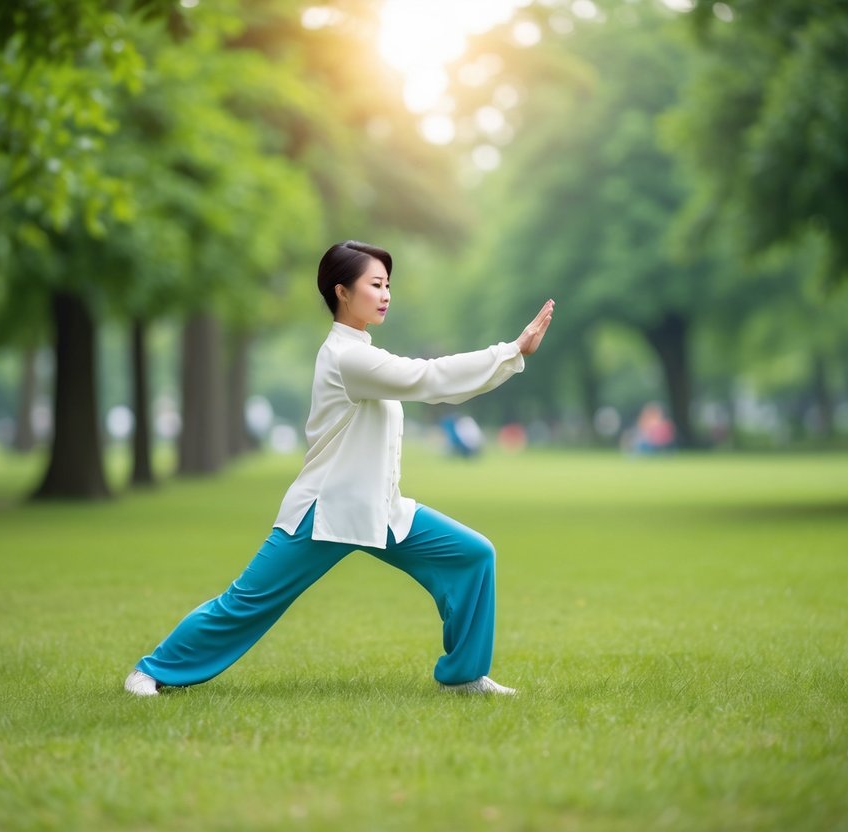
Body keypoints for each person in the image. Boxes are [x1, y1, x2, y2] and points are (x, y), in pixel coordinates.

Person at [125, 241, 555, 698]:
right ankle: (150, 671)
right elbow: (430, 379)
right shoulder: (348, 357)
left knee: (473, 555)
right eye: (375, 284)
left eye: (388, 285)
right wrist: (512, 352)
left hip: (379, 510)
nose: (386, 294)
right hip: (324, 512)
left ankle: (464, 675)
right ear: (342, 292)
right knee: (247, 602)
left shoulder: (364, 354)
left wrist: (511, 356)